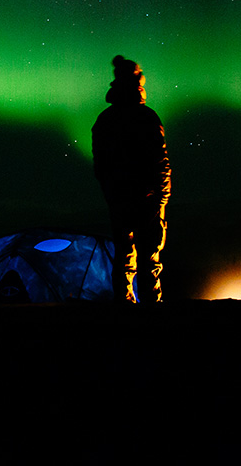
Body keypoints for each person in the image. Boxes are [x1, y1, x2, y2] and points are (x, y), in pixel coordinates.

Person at [92, 55, 171, 303]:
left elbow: (101, 165)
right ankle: (151, 310)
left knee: (125, 254)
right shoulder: (146, 117)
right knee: (150, 256)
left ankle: (125, 306)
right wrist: (162, 195)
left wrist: (111, 192)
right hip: (147, 198)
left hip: (119, 197)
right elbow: (160, 161)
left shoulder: (105, 120)